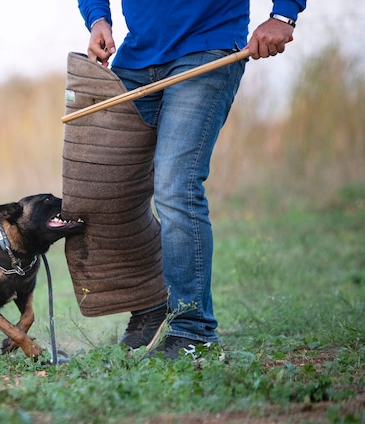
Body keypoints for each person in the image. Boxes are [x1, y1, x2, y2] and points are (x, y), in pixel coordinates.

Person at [76, 0, 306, 359]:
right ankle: (150, 304)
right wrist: (98, 19)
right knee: (109, 191)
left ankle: (192, 330)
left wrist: (283, 14)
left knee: (175, 187)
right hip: (136, 59)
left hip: (206, 49)